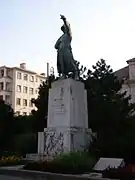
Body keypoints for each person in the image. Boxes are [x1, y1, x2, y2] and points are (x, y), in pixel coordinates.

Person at [54, 15, 78, 79]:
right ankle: (63, 74)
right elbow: (55, 46)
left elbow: (68, 28)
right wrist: (59, 44)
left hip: (66, 50)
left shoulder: (68, 34)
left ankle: (76, 74)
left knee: (70, 61)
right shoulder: (61, 37)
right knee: (62, 63)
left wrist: (64, 20)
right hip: (60, 51)